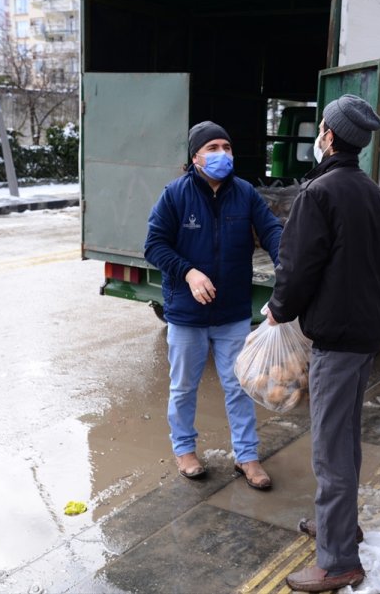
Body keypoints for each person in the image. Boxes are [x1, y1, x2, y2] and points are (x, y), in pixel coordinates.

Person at [265, 94, 380, 592]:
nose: (319, 134)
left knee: (331, 449)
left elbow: (296, 267)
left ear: (329, 135)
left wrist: (279, 309)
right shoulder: (373, 193)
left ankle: (339, 559)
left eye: (321, 127)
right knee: (343, 438)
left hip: (338, 340)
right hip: (365, 333)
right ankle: (338, 526)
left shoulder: (320, 193)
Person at [145, 121, 282, 490]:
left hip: (232, 312)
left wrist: (288, 262)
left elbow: (271, 231)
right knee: (183, 387)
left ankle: (247, 456)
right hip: (187, 314)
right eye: (213, 148)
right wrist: (188, 273)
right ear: (196, 156)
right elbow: (154, 245)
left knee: (239, 386)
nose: (223, 154)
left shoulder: (245, 194)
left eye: (227, 147)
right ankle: (185, 450)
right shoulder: (175, 195)